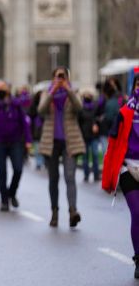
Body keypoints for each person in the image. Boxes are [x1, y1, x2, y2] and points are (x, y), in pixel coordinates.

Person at [102, 75, 139, 279]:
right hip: (128, 168)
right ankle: (138, 259)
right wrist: (108, 175)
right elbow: (113, 144)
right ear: (133, 88)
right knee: (137, 213)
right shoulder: (124, 112)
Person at [38, 67, 85, 228]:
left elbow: (79, 108)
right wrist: (54, 90)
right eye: (58, 76)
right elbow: (41, 110)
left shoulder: (73, 91)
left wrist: (68, 90)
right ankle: (54, 212)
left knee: (70, 176)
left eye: (63, 76)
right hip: (51, 142)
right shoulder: (47, 92)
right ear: (53, 78)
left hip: (69, 141)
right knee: (53, 179)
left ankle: (73, 211)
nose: (60, 79)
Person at [0, 81, 32, 211]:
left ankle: (12, 192)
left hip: (15, 141)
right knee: (2, 172)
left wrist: (28, 140)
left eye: (3, 87)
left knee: (18, 169)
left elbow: (24, 123)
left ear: (9, 89)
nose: (1, 90)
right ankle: (4, 201)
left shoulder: (16, 104)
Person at [79, 89, 101, 182]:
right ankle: (86, 175)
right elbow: (79, 122)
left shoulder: (95, 107)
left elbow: (99, 118)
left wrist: (96, 124)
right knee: (85, 157)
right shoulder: (80, 108)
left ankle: (96, 175)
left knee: (95, 155)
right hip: (84, 136)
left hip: (94, 135)